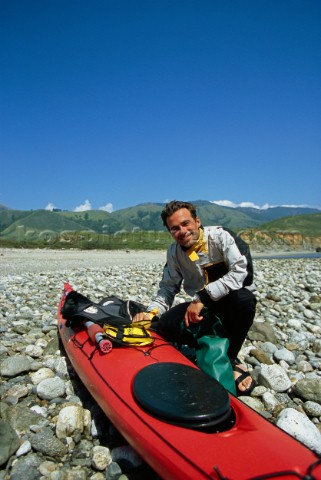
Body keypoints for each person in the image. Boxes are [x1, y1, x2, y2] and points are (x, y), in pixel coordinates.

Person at [134, 200, 257, 395]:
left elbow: (243, 273)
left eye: (186, 224)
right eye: (174, 228)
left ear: (197, 221)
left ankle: (231, 358)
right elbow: (168, 289)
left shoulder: (221, 237)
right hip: (201, 309)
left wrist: (202, 298)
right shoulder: (174, 253)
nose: (182, 231)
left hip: (229, 303)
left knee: (245, 301)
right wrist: (151, 312)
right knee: (162, 325)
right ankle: (210, 346)